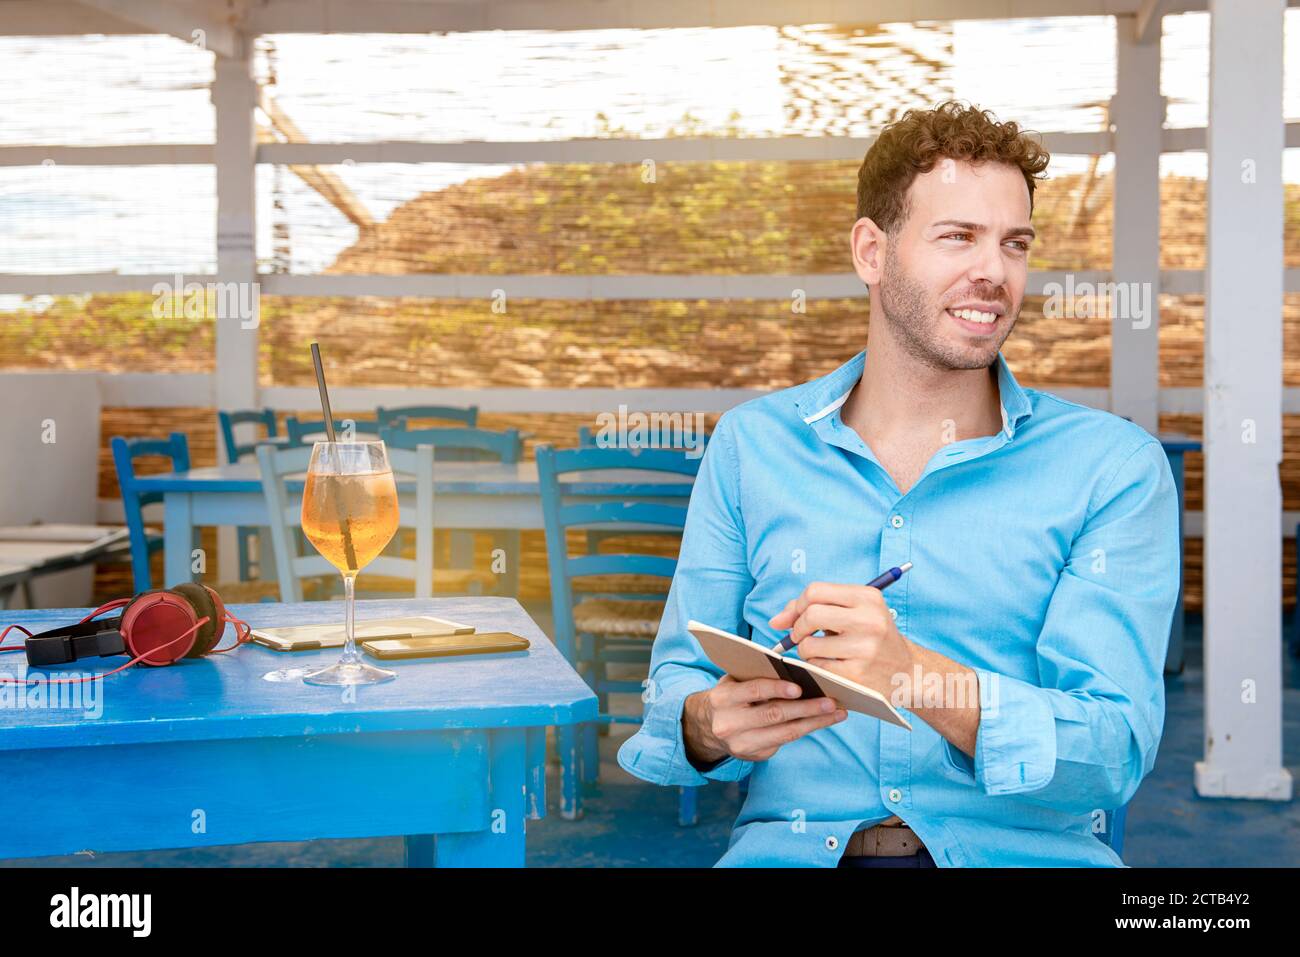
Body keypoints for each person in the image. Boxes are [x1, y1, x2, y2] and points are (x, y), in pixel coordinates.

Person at [617, 100, 1180, 867]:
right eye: (958, 237)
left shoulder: (1112, 468)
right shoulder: (752, 446)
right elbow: (672, 686)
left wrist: (918, 678)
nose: (993, 272)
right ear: (870, 252)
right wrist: (706, 724)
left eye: (1015, 244)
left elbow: (1112, 750)